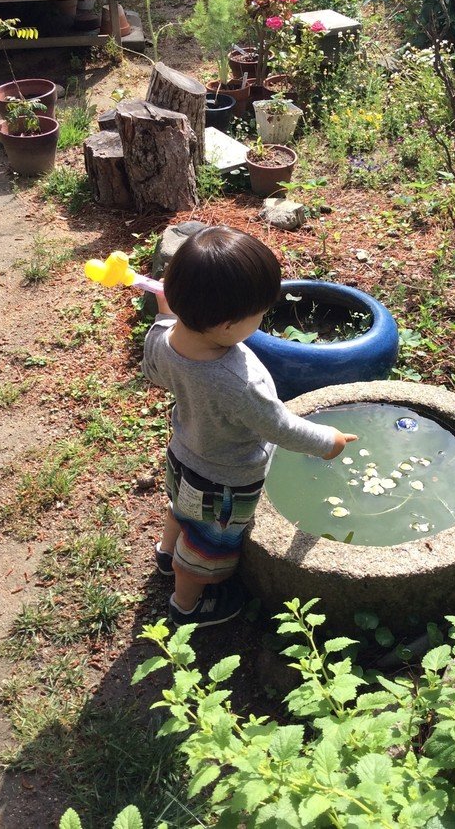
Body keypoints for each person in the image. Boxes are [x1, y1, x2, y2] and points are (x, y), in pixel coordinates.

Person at [142, 225, 357, 628]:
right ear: (226, 326)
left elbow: (157, 351)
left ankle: (166, 554)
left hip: (183, 453)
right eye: (258, 316)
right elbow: (280, 427)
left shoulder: (162, 338)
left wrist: (167, 312)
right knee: (206, 548)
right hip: (224, 481)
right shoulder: (240, 380)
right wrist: (327, 441)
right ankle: (186, 604)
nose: (260, 321)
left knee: (180, 508)